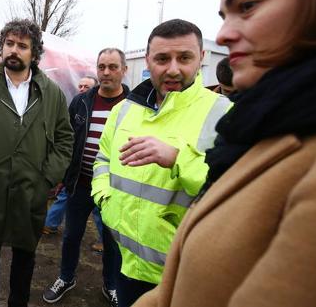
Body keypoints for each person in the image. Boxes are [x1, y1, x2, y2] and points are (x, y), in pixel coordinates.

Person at [133, 0, 316, 306]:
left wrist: (177, 159)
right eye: (224, 13)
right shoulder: (254, 129)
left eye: (248, 6)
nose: (223, 34)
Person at [92, 19, 232, 306]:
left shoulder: (224, 114)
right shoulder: (122, 111)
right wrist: (105, 202)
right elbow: (102, 159)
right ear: (147, 60)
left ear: (201, 59)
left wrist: (178, 158)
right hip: (126, 262)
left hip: (184, 273)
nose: (172, 69)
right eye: (162, 58)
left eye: (184, 58)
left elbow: (236, 188)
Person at [0, 18, 73, 307]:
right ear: (2, 47)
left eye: (22, 45)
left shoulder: (52, 93)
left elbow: (64, 140)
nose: (14, 50)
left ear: (34, 53)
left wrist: (46, 179)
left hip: (31, 191)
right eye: (9, 43)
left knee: (25, 255)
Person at [43, 48, 130, 307]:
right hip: (80, 184)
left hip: (115, 188)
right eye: (102, 66)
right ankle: (66, 277)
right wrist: (61, 176)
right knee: (71, 236)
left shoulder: (134, 105)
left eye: (113, 67)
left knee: (112, 243)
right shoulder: (81, 102)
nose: (106, 72)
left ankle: (111, 285)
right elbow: (67, 140)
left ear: (124, 70)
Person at [43, 75, 102, 238]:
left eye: (86, 87)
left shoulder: (101, 106)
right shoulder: (77, 103)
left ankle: (106, 240)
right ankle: (50, 224)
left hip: (100, 171)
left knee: (99, 206)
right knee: (65, 194)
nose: (82, 89)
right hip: (77, 167)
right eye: (80, 86)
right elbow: (68, 132)